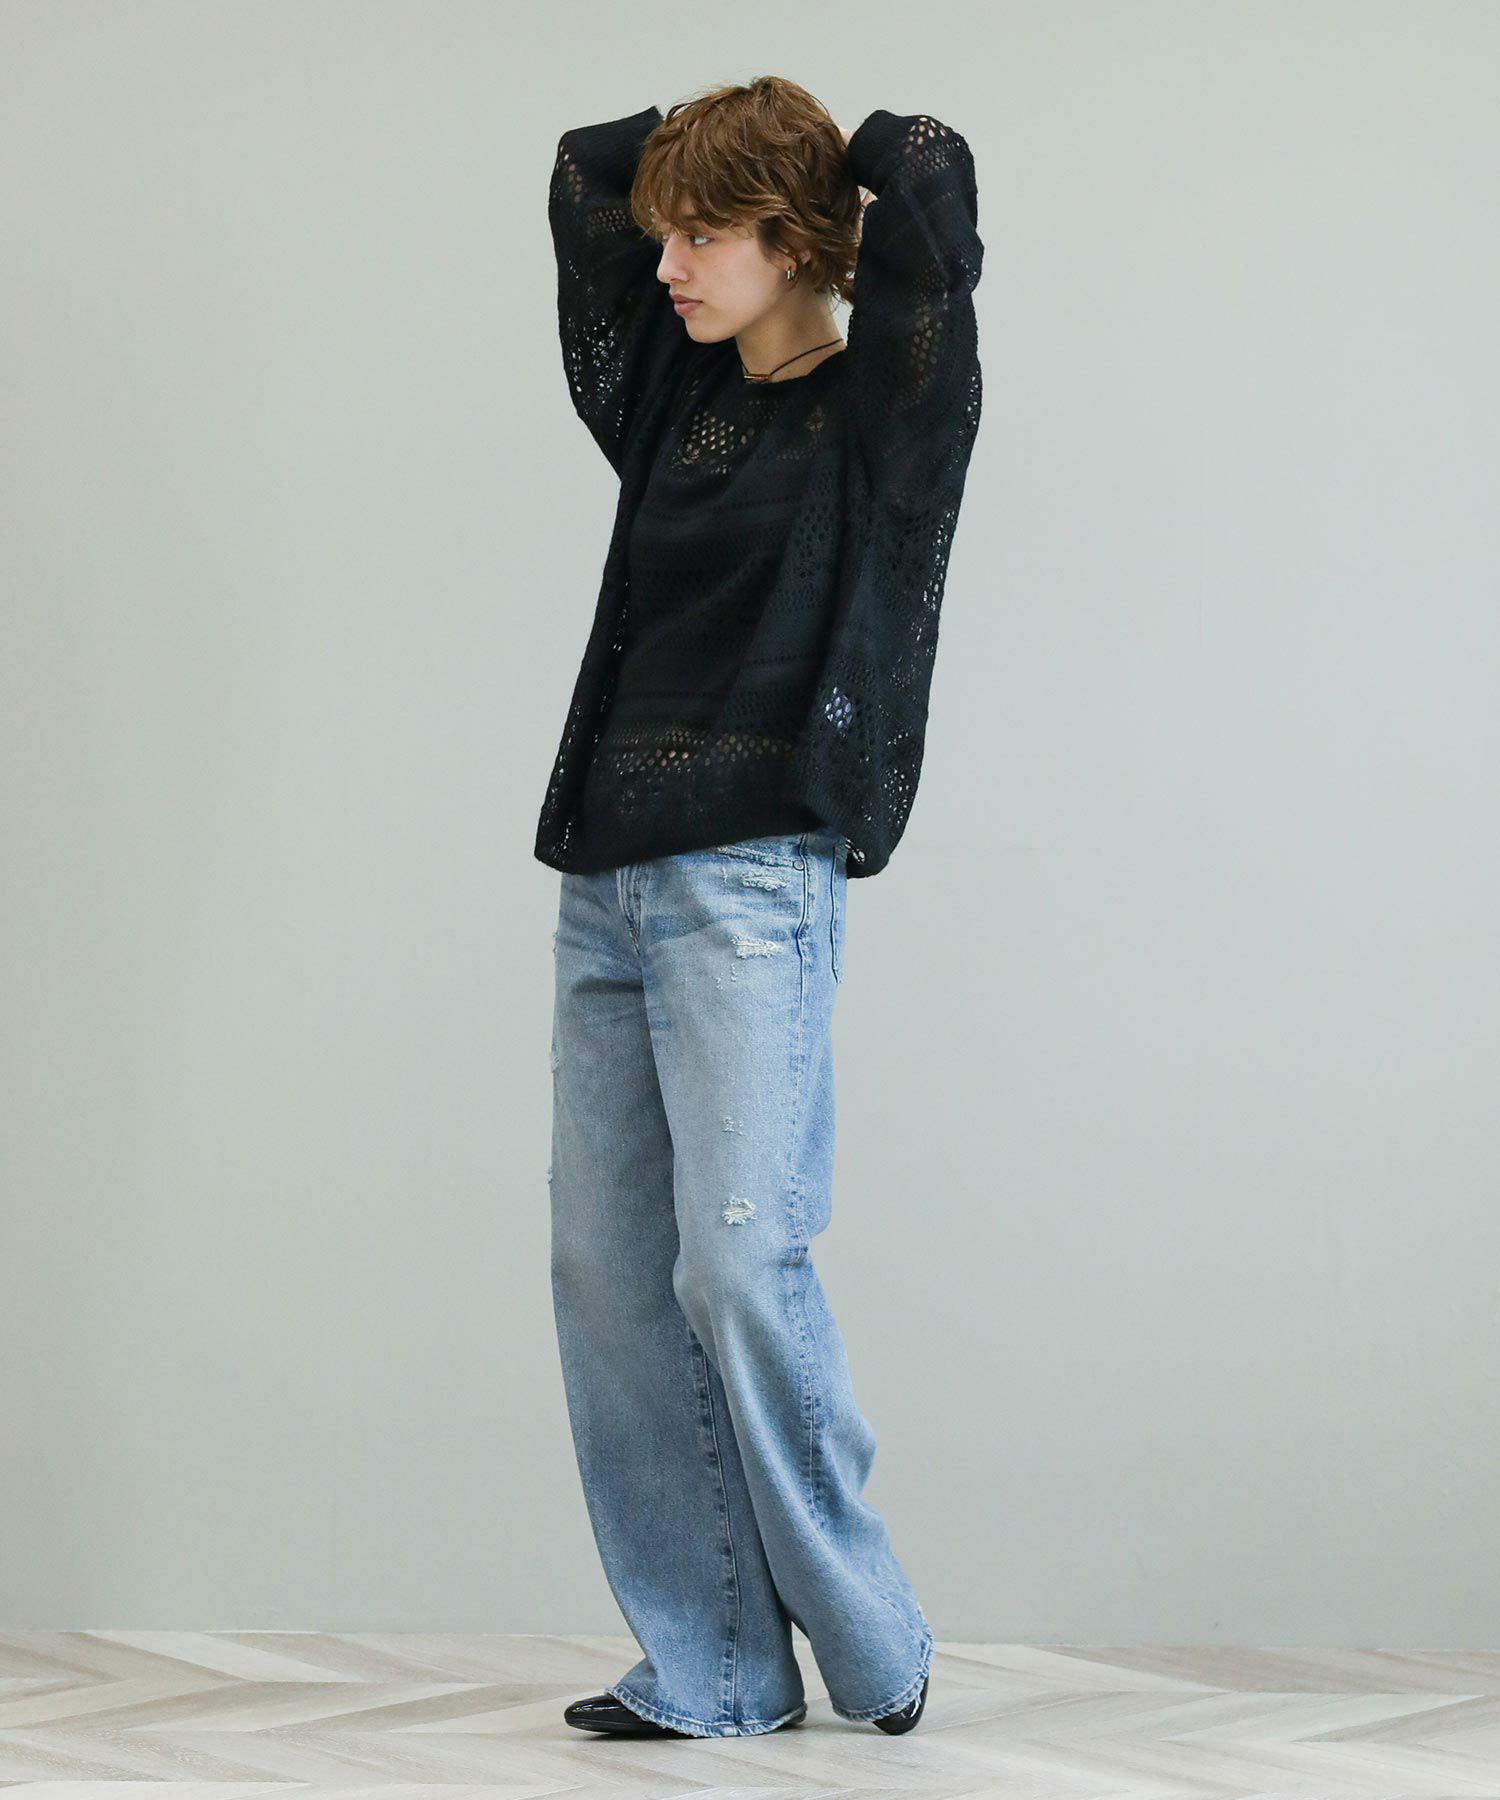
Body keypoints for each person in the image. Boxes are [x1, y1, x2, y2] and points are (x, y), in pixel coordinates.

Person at [540, 75, 984, 1739]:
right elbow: (584, 176)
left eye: (707, 234)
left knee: (737, 1263)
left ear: (797, 240)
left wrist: (809, 156)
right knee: (608, 1282)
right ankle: (715, 1666)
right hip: (608, 884)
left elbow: (927, 187)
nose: (666, 264)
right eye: (671, 234)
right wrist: (699, 145)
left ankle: (873, 1637)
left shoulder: (887, 419)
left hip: (748, 885)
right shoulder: (670, 396)